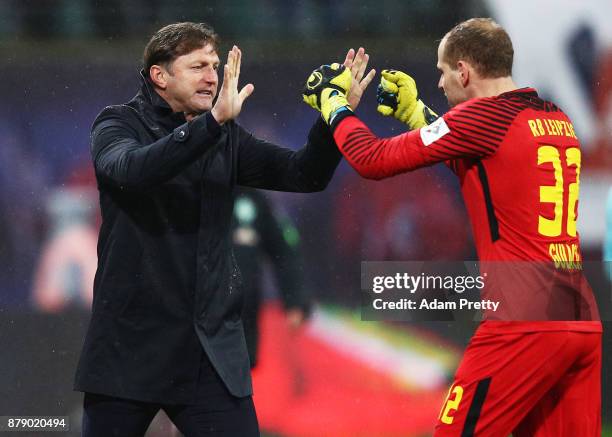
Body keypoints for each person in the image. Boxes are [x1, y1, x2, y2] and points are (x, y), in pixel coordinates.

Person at [303, 18, 602, 436]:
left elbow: (371, 159)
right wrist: (415, 114)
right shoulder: (553, 117)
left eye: (443, 73)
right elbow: (484, 160)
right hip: (580, 318)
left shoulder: (483, 117)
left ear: (464, 71)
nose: (441, 84)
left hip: (522, 321)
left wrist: (334, 106)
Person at [74, 22, 374, 437]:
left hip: (208, 353)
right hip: (131, 349)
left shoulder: (224, 136)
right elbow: (131, 171)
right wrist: (210, 123)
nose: (213, 76)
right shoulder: (116, 124)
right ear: (160, 75)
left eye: (215, 65)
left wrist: (333, 119)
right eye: (198, 66)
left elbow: (304, 174)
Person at [231, 187, 309, 368]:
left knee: (238, 376)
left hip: (241, 311)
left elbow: (285, 250)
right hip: (192, 307)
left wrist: (295, 300)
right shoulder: (188, 188)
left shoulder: (254, 199)